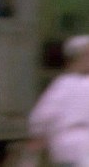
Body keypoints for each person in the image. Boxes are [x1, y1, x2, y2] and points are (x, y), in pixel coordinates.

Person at [27, 35, 89, 167]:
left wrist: (38, 133)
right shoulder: (64, 83)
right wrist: (39, 134)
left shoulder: (65, 83)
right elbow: (44, 115)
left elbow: (41, 116)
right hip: (70, 141)